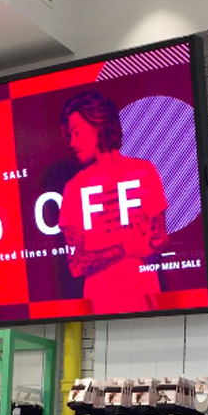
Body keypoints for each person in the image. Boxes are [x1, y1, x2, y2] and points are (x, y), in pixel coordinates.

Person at [58, 90, 169, 315]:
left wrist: (154, 240)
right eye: (70, 135)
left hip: (147, 302)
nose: (72, 143)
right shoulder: (74, 188)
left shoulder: (144, 171)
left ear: (98, 123)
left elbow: (160, 239)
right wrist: (126, 248)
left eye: (77, 133)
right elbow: (76, 264)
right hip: (101, 308)